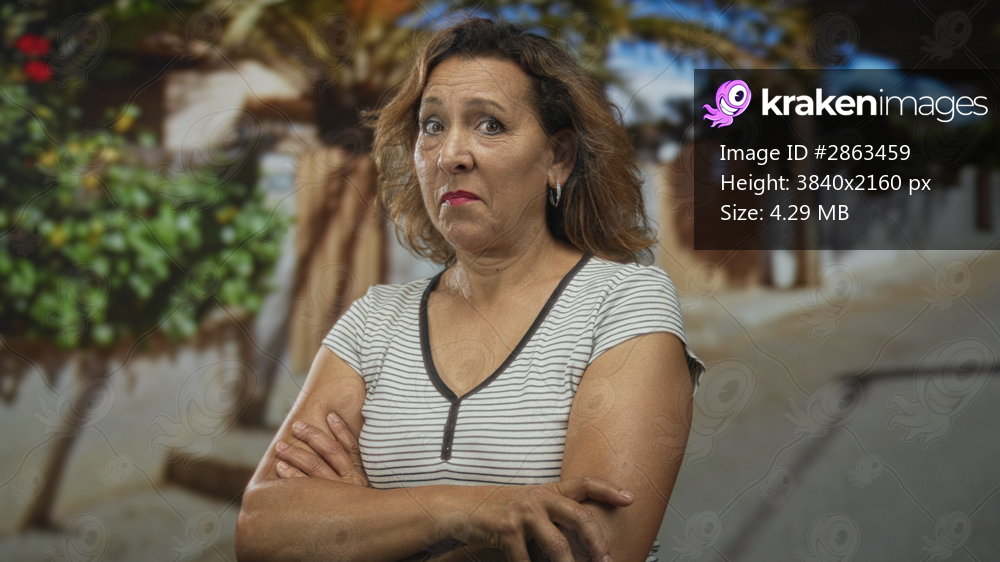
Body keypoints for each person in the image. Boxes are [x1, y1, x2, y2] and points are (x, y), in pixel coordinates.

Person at [236, 17, 705, 562]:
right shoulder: (374, 321)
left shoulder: (623, 304)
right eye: (432, 125)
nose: (450, 154)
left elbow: (588, 547)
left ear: (558, 157)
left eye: (490, 125)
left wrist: (362, 522)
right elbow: (262, 529)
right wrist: (466, 509)